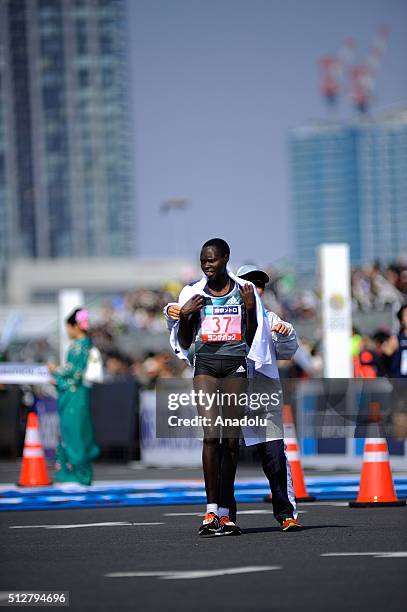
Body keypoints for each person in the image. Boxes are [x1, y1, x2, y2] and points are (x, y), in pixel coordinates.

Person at [166, 258, 301, 532]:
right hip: (229, 394)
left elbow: (288, 350)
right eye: (252, 283)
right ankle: (225, 515)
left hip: (261, 399)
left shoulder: (269, 318)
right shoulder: (219, 308)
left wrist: (286, 334)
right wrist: (172, 310)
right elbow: (184, 324)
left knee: (275, 457)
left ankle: (286, 515)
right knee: (226, 452)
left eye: (261, 284)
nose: (257, 288)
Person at [169, 238, 266, 536]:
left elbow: (251, 340)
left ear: (226, 258)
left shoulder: (244, 291)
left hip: (235, 366)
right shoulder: (194, 293)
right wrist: (186, 315)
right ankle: (211, 512)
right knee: (211, 437)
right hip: (206, 368)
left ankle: (226, 512)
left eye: (212, 259)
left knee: (231, 441)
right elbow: (185, 342)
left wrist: (249, 310)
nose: (207, 265)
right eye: (203, 261)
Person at [47, 308, 100, 485]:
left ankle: (79, 473)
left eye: (68, 327)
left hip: (74, 395)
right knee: (74, 431)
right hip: (76, 394)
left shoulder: (80, 346)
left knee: (74, 432)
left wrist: (56, 371)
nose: (67, 332)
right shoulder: (84, 344)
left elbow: (75, 373)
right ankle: (75, 472)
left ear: (75, 326)